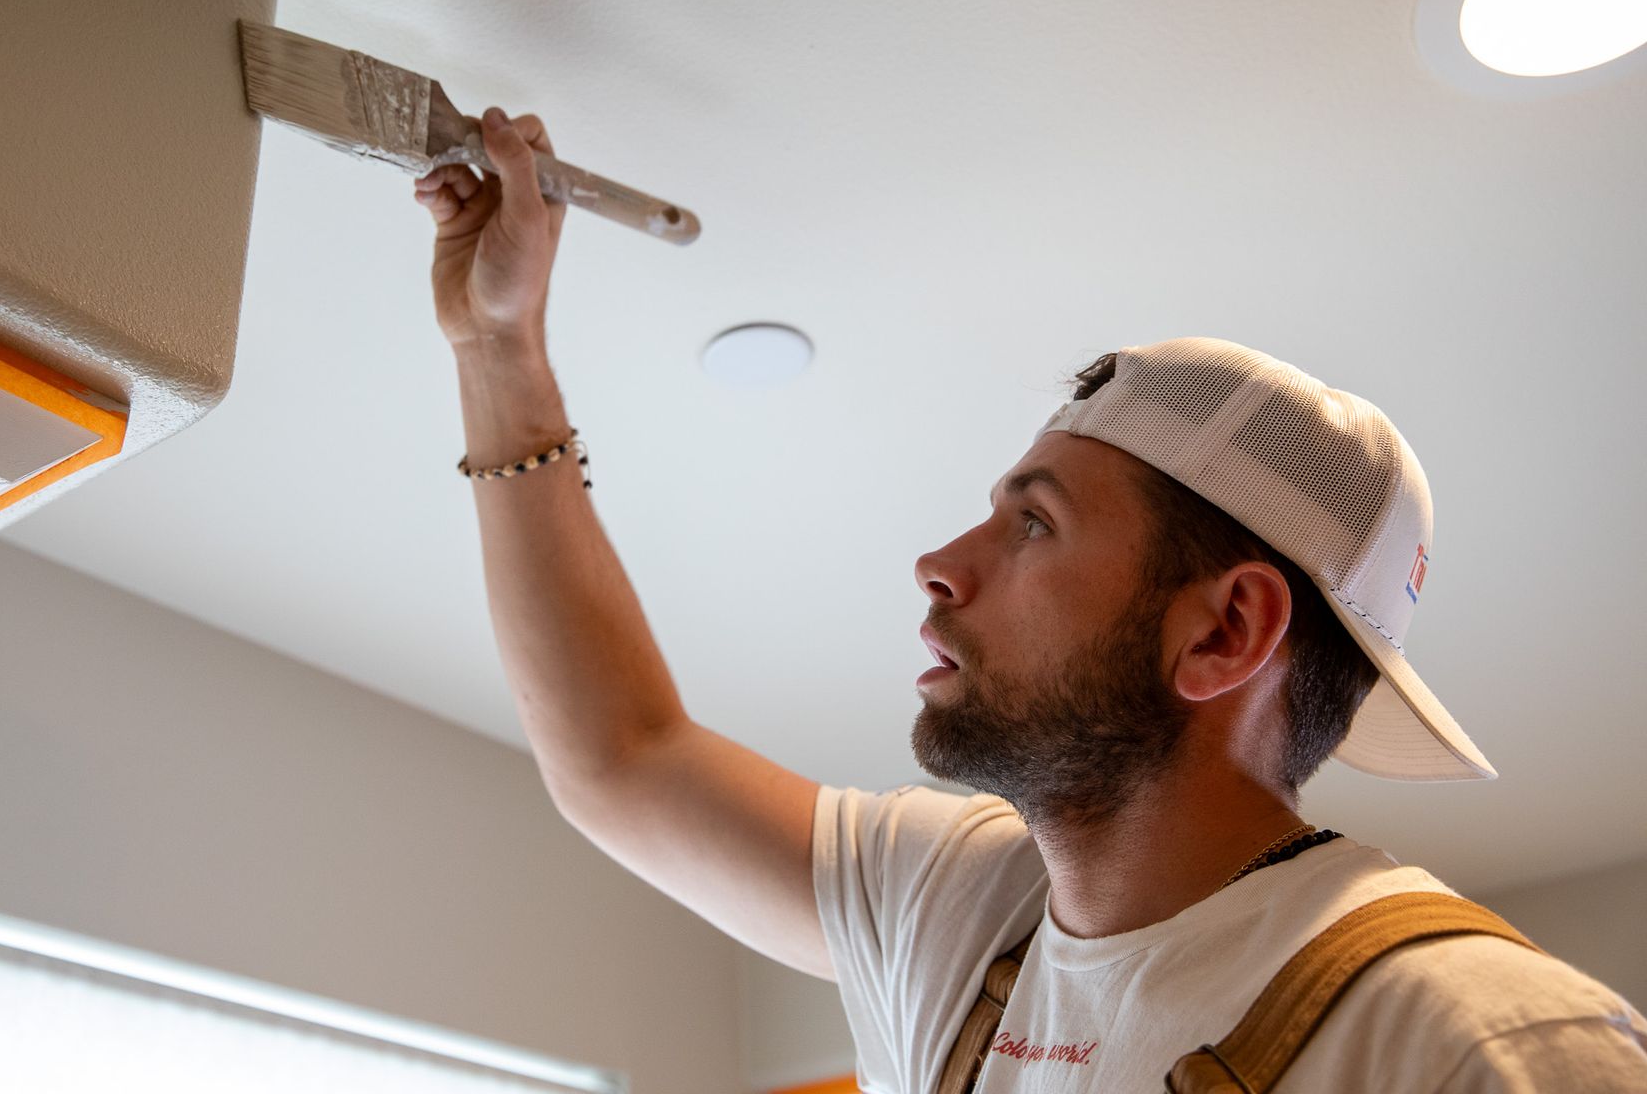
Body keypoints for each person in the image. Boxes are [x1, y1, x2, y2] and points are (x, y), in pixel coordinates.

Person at [413, 106, 1647, 1092]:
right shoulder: (958, 907)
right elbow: (624, 760)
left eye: (1035, 522)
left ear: (1225, 630)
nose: (941, 561)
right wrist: (496, 351)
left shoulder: (1483, 1047)